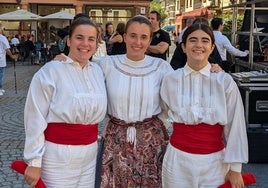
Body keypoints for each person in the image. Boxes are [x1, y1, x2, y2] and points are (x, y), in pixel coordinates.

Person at [160, 23, 248, 188]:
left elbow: (235, 124)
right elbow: (162, 115)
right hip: (178, 161)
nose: (199, 45)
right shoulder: (170, 79)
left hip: (215, 162)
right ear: (184, 47)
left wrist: (235, 168)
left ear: (212, 47)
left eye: (205, 41)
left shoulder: (224, 82)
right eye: (193, 40)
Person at [23, 17, 107, 187]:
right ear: (68, 40)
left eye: (91, 39)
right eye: (79, 37)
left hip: (90, 154)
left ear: (96, 44)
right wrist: (34, 161)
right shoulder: (50, 72)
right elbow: (35, 116)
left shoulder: (98, 71)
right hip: (58, 157)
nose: (85, 44)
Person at [99, 15, 173, 187]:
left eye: (143, 37)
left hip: (151, 142)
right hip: (115, 138)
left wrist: (213, 70)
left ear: (150, 39)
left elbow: (181, 92)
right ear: (124, 37)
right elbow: (82, 73)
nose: (137, 42)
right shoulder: (106, 64)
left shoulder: (161, 68)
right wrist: (65, 61)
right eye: (133, 35)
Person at [0, 24, 16, 96]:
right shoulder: (2, 38)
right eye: (3, 29)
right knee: (0, 74)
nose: (3, 30)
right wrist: (12, 56)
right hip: (0, 60)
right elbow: (7, 49)